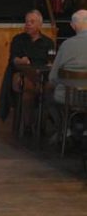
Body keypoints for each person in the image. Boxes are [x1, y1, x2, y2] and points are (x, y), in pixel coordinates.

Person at [0, 10, 54, 125]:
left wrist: (50, 64)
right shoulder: (18, 39)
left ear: (40, 25)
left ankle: (41, 124)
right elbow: (13, 59)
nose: (28, 24)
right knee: (27, 88)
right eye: (27, 22)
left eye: (32, 22)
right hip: (23, 73)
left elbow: (51, 60)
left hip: (42, 75)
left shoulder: (48, 42)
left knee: (50, 88)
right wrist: (21, 60)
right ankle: (28, 125)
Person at [47, 9, 87, 138]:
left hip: (68, 96)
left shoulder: (66, 45)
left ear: (73, 25)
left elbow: (52, 77)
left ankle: (64, 129)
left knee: (47, 97)